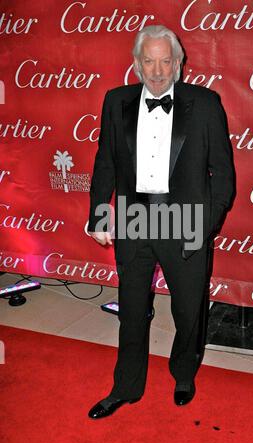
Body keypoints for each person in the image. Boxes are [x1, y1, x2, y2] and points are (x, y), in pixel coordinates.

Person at [87, 25, 234, 419]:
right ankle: (125, 387)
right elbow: (105, 162)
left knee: (188, 310)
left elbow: (223, 172)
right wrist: (100, 213)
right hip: (135, 221)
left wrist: (205, 226)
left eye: (165, 61)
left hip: (186, 222)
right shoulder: (116, 101)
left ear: (178, 64)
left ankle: (184, 373)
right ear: (136, 63)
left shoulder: (204, 104)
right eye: (148, 61)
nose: (156, 70)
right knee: (131, 311)